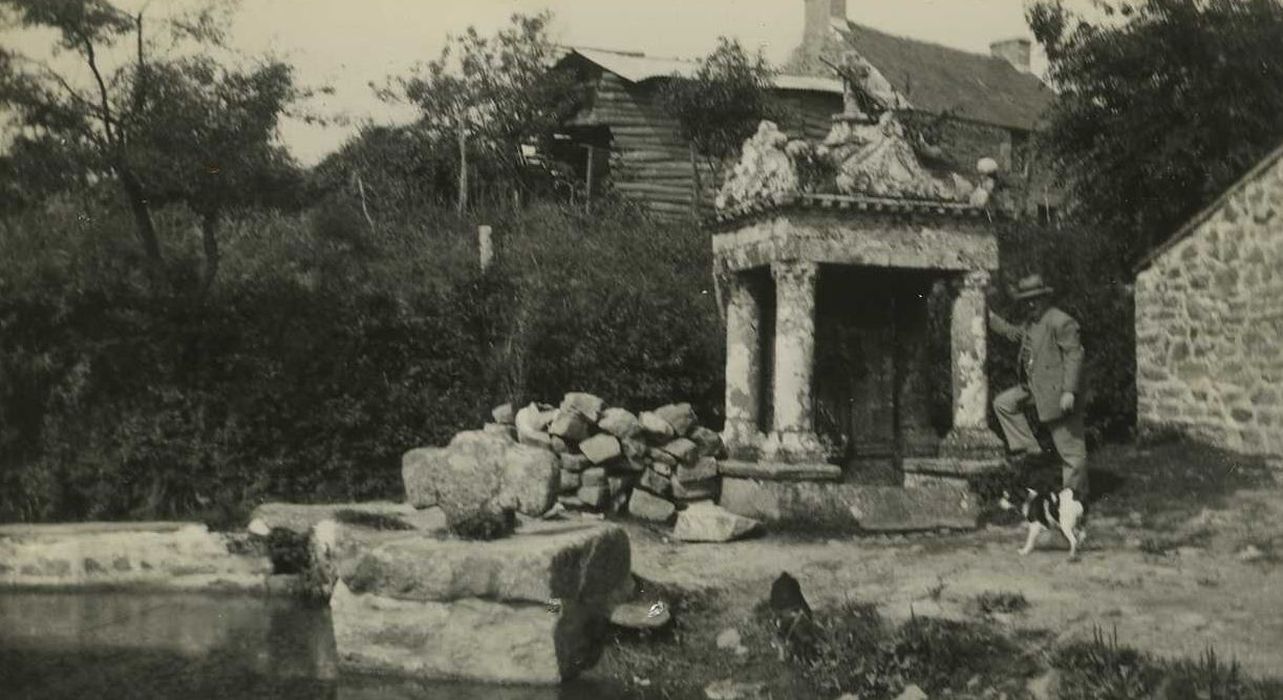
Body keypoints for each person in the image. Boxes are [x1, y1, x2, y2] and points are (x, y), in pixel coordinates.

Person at [988, 274, 1088, 496]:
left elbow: (1074, 355)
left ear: (1045, 298)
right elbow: (1012, 333)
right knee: (1003, 403)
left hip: (1059, 393)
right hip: (1034, 389)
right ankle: (1030, 449)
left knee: (1070, 451)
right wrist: (989, 317)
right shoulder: (1032, 323)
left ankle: (1076, 499)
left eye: (1035, 299)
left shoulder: (1060, 321)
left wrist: (1069, 391)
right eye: (1026, 300)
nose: (1031, 304)